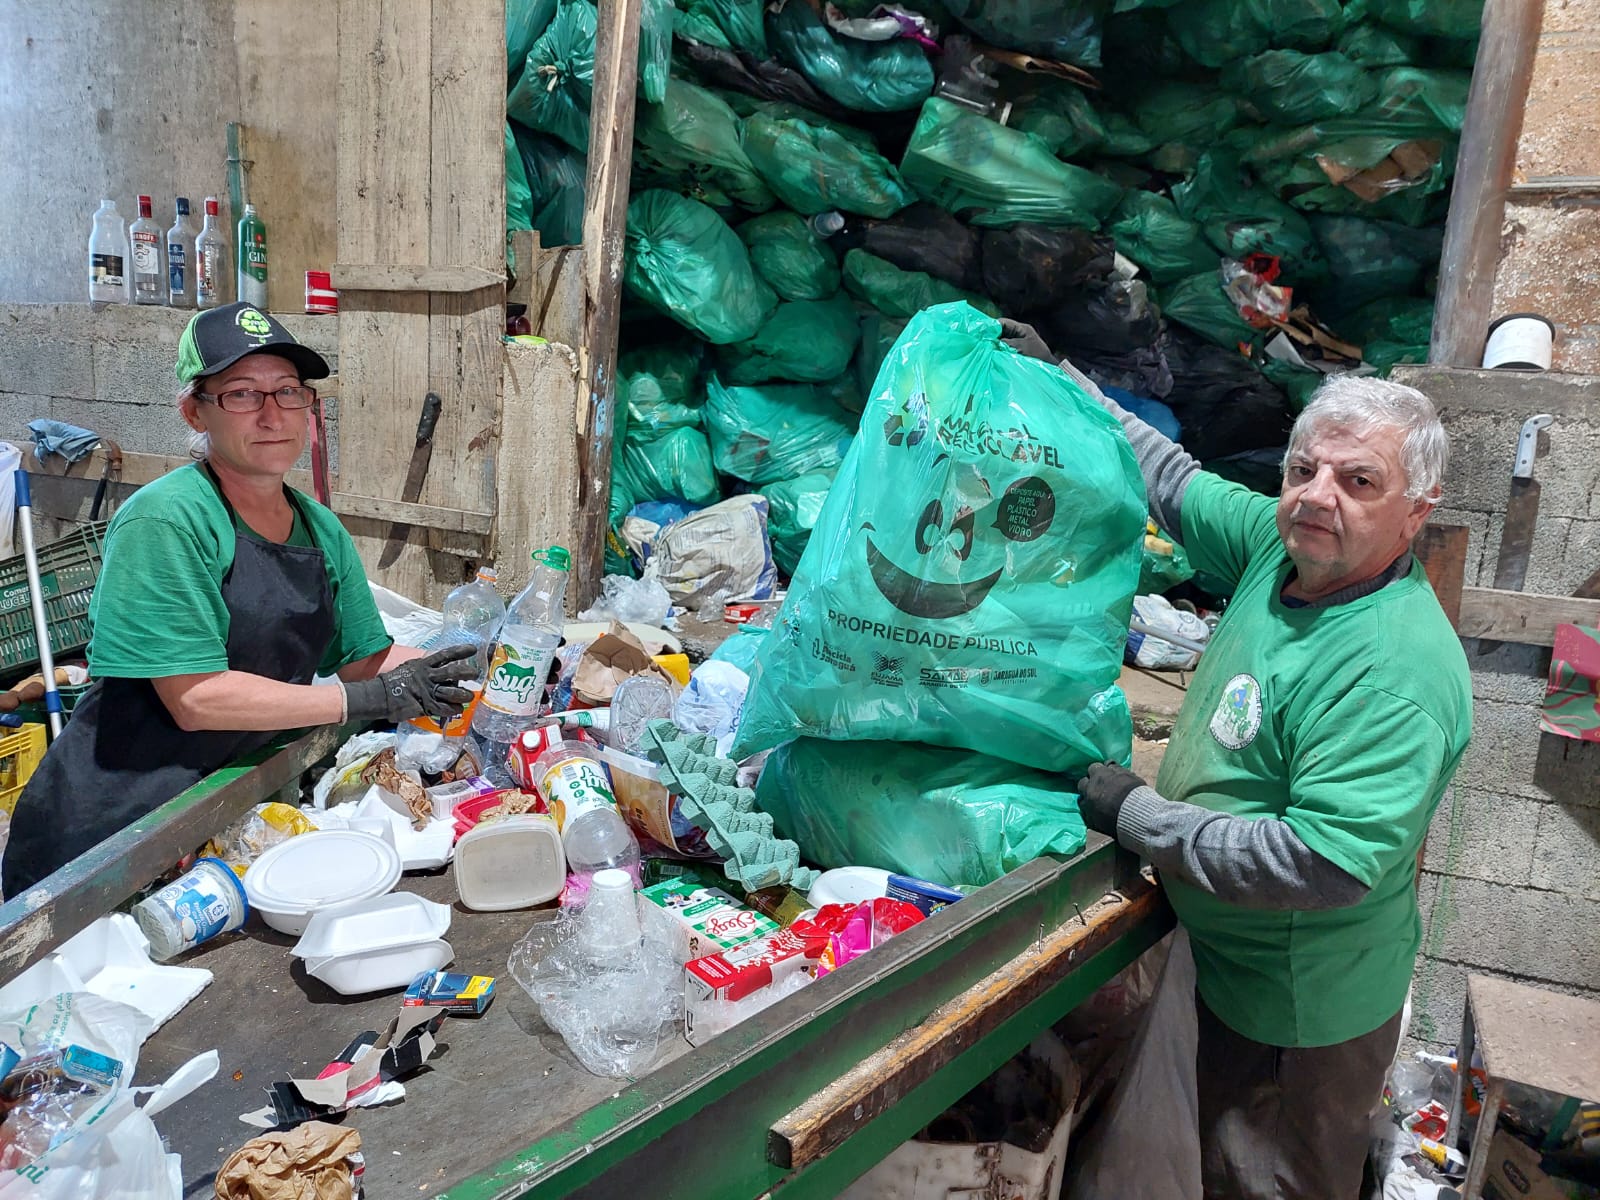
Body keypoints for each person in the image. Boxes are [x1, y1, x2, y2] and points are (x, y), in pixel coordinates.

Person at [1004, 321, 1472, 1200]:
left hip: (1298, 1008)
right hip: (1233, 963)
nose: (1318, 497)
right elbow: (1172, 480)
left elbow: (1323, 863)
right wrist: (1062, 377)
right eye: (1305, 471)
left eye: (1359, 481)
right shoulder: (1283, 547)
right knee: (1221, 1157)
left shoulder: (1393, 670)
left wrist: (1141, 818)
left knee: (1267, 1176)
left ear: (1419, 508)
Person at [2, 303, 475, 896]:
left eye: (287, 392)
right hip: (110, 835)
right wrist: (359, 699)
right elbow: (197, 697)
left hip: (221, 810)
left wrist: (480, 669)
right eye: (243, 394)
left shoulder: (321, 529)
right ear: (194, 411)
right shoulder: (166, 520)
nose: (272, 413)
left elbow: (364, 659)